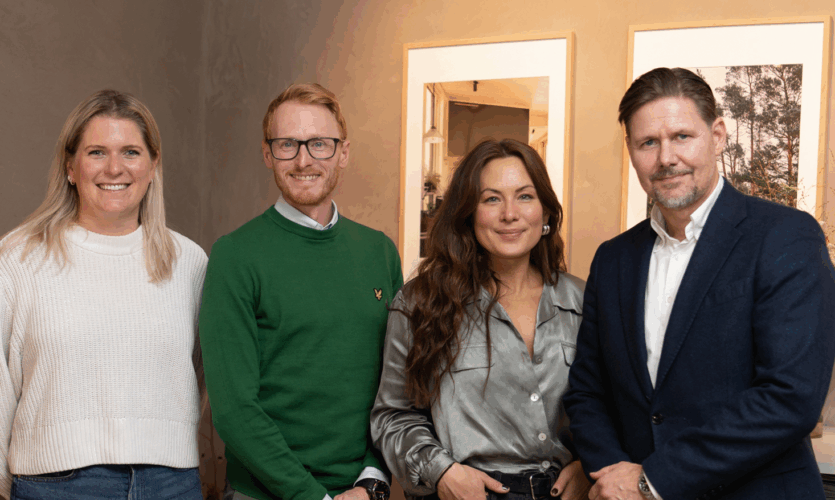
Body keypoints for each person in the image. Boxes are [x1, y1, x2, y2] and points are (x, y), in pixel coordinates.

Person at [563, 67, 835, 500]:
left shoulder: (786, 235)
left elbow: (790, 397)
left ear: (718, 135)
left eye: (682, 136)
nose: (666, 158)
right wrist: (614, 477)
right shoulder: (613, 259)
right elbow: (587, 391)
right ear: (631, 150)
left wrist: (650, 481)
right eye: (648, 143)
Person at [0, 90, 208, 500]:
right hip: (55, 486)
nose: (115, 168)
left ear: (153, 166)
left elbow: (199, 374)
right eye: (97, 152)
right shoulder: (18, 257)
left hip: (171, 484)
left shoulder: (189, 262)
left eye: (131, 152)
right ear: (70, 167)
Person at [199, 83, 403, 500]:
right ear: (267, 154)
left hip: (363, 491)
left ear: (343, 152)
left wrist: (372, 479)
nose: (304, 160)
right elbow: (234, 410)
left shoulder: (379, 252)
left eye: (320, 144)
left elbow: (398, 386)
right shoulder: (234, 255)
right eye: (287, 144)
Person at [372, 139, 591, 500]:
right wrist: (442, 473)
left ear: (546, 213)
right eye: (491, 199)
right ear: (468, 213)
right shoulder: (420, 303)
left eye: (525, 196)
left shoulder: (583, 301)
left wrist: (589, 465)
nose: (509, 214)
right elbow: (393, 416)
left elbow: (611, 406)